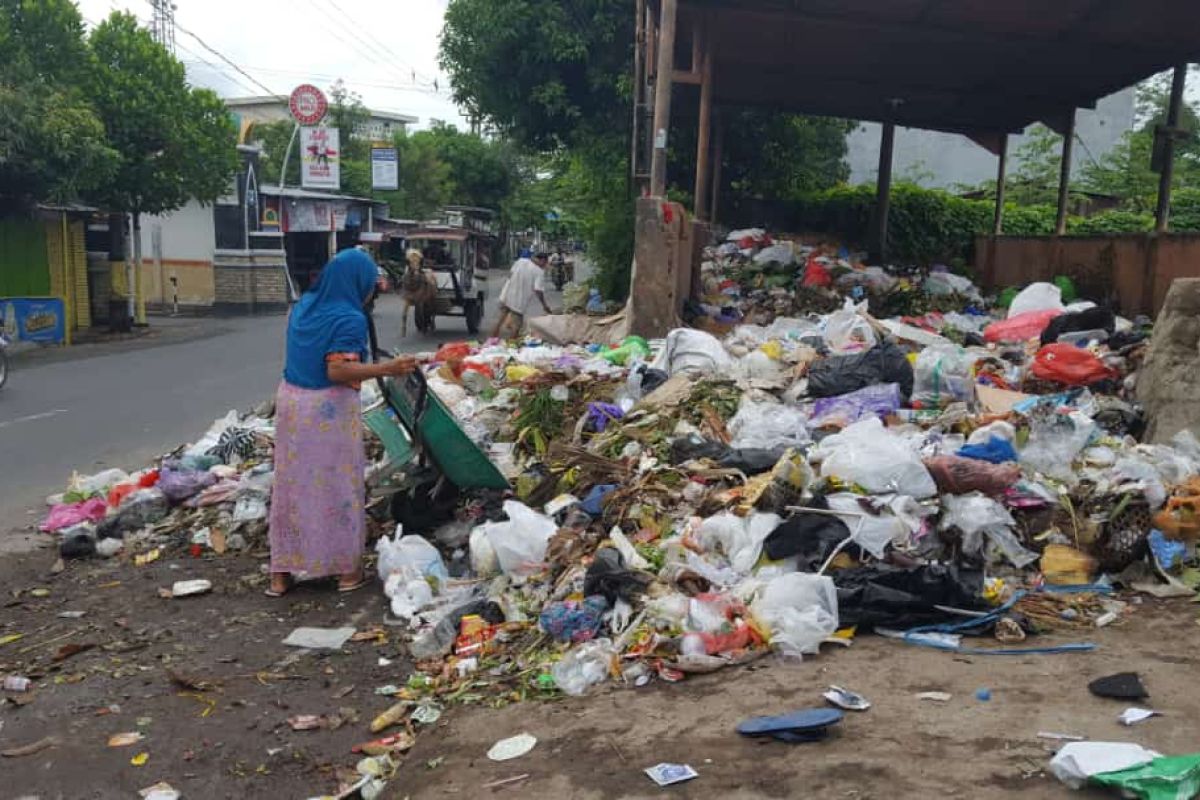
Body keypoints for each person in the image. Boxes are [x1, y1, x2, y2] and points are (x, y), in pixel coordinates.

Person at [267, 249, 417, 597]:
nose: (370, 292)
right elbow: (337, 370)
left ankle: (281, 574)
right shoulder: (349, 317)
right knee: (335, 486)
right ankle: (346, 571)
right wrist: (388, 369)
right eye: (369, 284)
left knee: (292, 486)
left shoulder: (303, 305)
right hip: (326, 410)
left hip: (291, 402)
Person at [493, 250, 553, 339]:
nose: (545, 265)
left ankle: (492, 339)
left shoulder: (520, 261)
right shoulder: (539, 272)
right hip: (519, 301)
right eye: (545, 263)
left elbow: (510, 274)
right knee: (517, 325)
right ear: (542, 260)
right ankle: (511, 345)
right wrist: (544, 305)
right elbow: (538, 290)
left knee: (499, 320)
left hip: (506, 295)